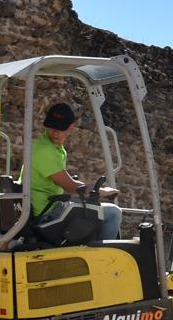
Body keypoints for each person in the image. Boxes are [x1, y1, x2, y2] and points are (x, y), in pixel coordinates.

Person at [24, 103, 122, 241]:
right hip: (47, 214)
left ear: (71, 128)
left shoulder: (53, 148)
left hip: (51, 207)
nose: (55, 132)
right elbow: (70, 186)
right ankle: (104, 261)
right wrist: (101, 192)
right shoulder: (44, 150)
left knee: (94, 215)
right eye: (52, 127)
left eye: (60, 128)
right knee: (113, 212)